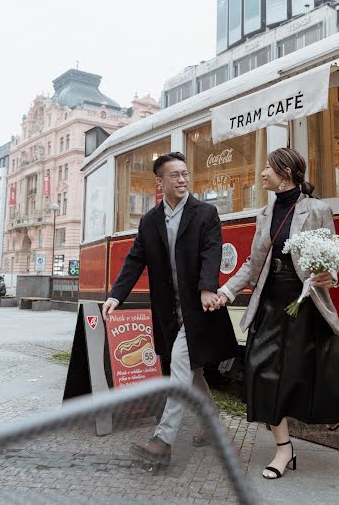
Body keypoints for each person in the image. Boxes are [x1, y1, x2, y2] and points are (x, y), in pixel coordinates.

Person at [217, 147, 339, 480]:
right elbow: (254, 265)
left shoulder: (317, 209)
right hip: (269, 305)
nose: (262, 173)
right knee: (261, 373)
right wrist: (228, 290)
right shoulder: (264, 214)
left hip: (305, 304)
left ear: (285, 172)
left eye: (268, 167)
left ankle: (330, 411)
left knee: (314, 370)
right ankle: (284, 449)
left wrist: (330, 274)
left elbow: (333, 259)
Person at [102, 151, 237, 466]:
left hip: (198, 308)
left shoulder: (205, 213)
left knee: (179, 363)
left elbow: (211, 250)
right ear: (159, 182)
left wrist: (207, 287)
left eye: (185, 174)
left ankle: (163, 441)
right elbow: (136, 259)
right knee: (193, 370)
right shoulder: (150, 220)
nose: (182, 180)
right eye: (175, 175)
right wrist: (116, 295)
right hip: (169, 311)